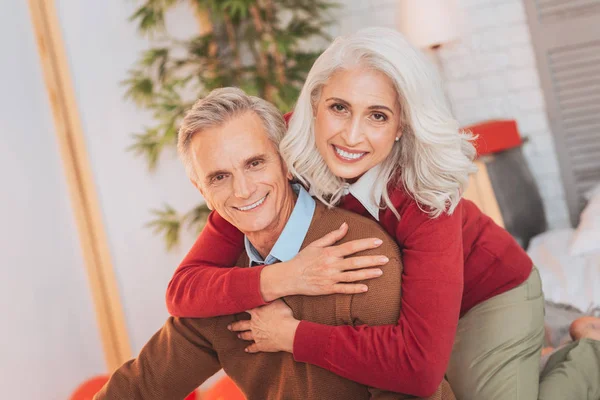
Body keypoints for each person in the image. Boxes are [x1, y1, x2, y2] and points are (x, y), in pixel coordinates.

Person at [166, 28, 600, 399]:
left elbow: (419, 368)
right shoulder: (270, 159)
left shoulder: (426, 200)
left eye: (377, 115)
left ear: (401, 127)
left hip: (488, 291)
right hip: (409, 312)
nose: (351, 136)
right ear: (315, 103)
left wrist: (293, 336)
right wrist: (285, 278)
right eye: (338, 108)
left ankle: (588, 348)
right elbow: (184, 290)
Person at [95, 88, 455, 400]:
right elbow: (142, 387)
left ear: (286, 163)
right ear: (202, 192)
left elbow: (410, 391)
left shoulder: (361, 257)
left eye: (254, 163)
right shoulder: (218, 289)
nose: (243, 190)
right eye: (220, 177)